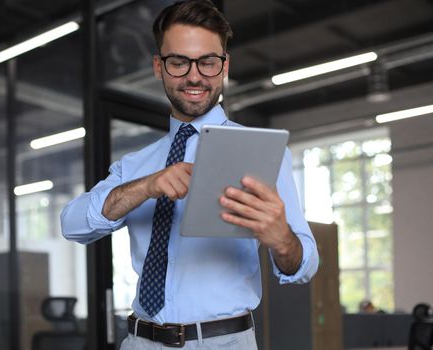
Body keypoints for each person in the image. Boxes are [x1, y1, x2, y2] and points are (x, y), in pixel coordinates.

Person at [61, 1, 319, 348]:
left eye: (208, 62)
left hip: (222, 342)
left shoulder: (260, 153)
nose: (194, 76)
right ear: (159, 66)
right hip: (141, 342)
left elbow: (302, 265)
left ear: (224, 66)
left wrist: (282, 238)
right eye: (179, 62)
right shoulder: (137, 164)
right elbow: (73, 224)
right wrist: (147, 186)